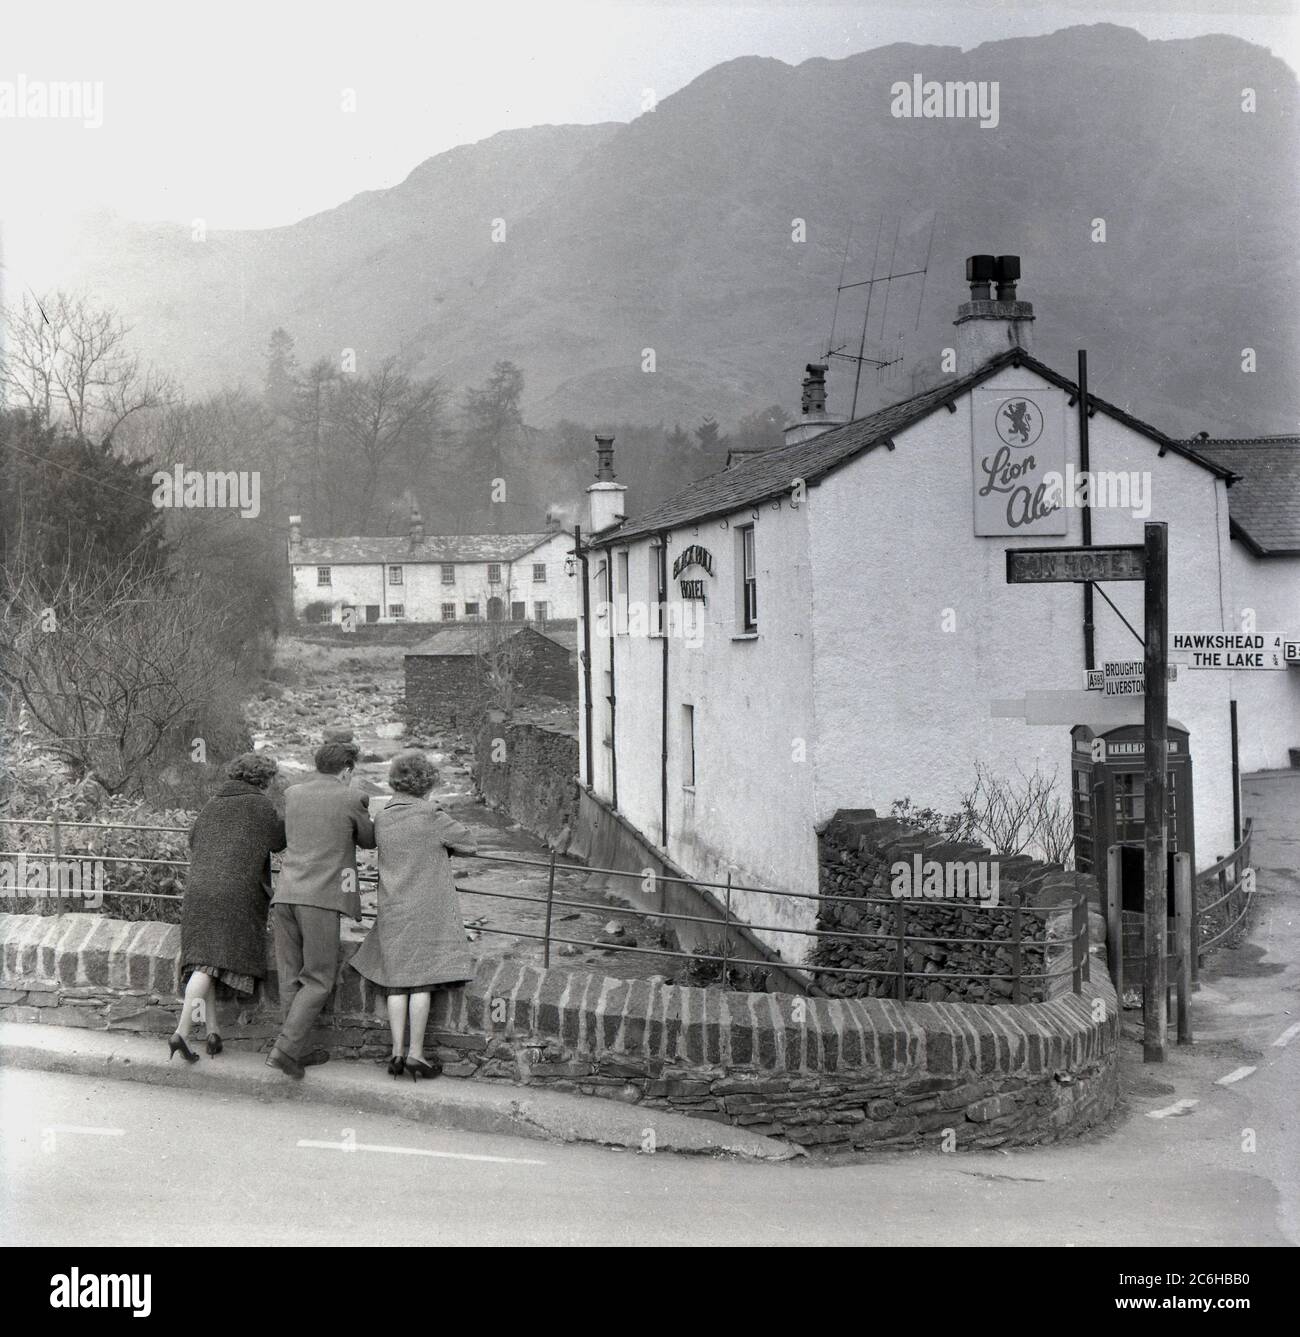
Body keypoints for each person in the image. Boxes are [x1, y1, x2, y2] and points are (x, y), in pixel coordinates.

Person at [349, 751, 477, 1080]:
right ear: (425, 783)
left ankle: (395, 1053)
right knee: (421, 981)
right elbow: (469, 843)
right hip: (426, 908)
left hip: (393, 906)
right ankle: (416, 1055)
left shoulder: (385, 816)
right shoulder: (431, 813)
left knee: (396, 983)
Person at [265, 738, 375, 1078]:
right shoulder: (351, 797)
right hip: (320, 900)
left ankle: (297, 1050)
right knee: (319, 979)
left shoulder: (293, 793)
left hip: (284, 895)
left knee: (289, 978)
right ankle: (284, 1050)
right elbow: (369, 840)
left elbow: (279, 838)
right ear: (346, 770)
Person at [172, 752, 286, 1063]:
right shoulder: (260, 805)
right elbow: (279, 841)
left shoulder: (213, 802)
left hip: (199, 889)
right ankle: (181, 1032)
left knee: (205, 959)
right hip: (233, 894)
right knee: (210, 962)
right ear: (263, 779)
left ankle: (213, 1032)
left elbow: (193, 839)